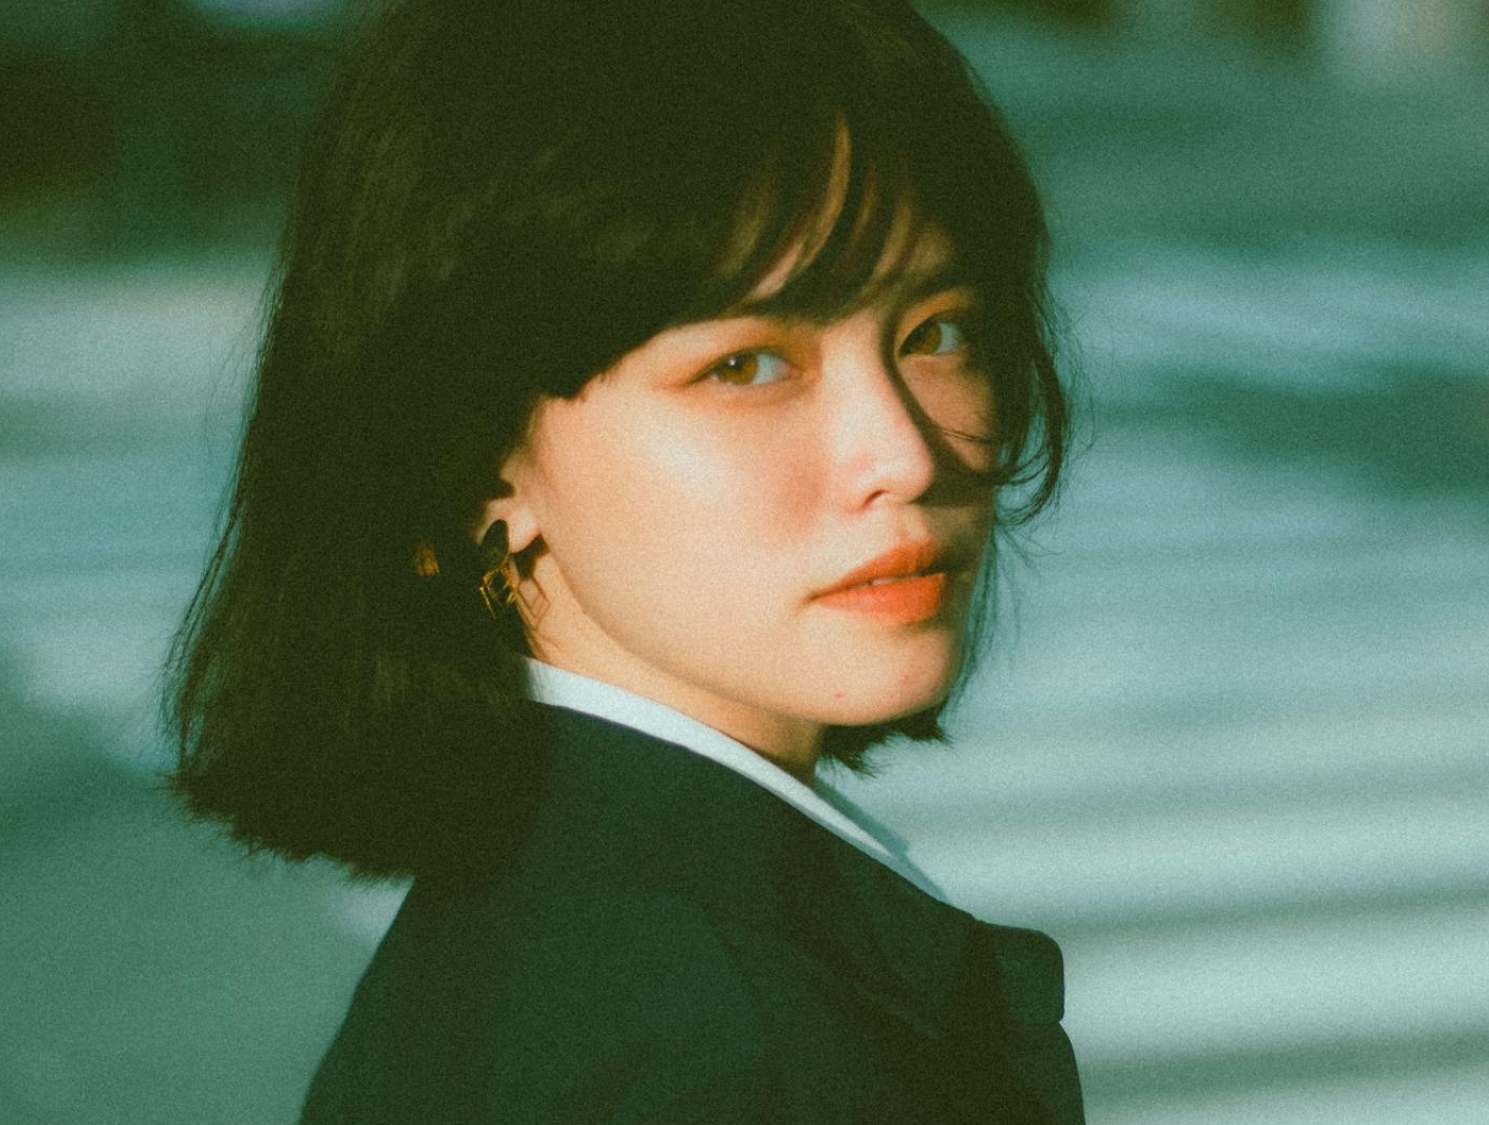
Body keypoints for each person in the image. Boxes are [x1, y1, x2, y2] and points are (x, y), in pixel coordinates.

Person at [163, 0, 1083, 1120]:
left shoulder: (555, 911)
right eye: (746, 364)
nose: (901, 454)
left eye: (934, 331)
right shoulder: (718, 1052)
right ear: (479, 460)